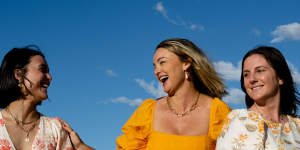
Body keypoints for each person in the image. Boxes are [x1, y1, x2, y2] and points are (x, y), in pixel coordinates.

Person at [116, 38, 231, 150]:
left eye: (162, 62)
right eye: (155, 66)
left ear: (186, 63)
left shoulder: (218, 112)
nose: (156, 71)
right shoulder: (147, 113)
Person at [216, 46, 300, 149]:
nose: (251, 79)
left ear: (280, 78)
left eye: (260, 71)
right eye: (246, 74)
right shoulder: (240, 120)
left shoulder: (297, 125)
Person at [0, 46, 73, 150]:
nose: (49, 77)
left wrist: (80, 146)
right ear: (19, 74)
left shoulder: (55, 129)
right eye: (43, 70)